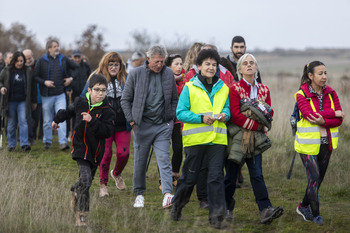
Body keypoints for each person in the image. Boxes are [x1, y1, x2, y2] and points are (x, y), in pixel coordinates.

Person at [170, 49, 230, 229]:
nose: (211, 68)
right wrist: (201, 118)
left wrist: (225, 115)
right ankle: (177, 206)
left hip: (217, 141)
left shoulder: (224, 88)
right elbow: (180, 113)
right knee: (189, 177)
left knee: (215, 177)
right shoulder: (189, 87)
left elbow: (227, 109)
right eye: (207, 64)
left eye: (214, 65)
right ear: (198, 67)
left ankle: (217, 217)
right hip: (195, 140)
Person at [224, 53, 283, 224]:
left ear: (256, 67)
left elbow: (269, 113)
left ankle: (266, 209)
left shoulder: (264, 90)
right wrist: (258, 124)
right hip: (237, 139)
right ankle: (226, 208)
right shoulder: (234, 89)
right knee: (230, 176)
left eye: (252, 63)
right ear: (240, 69)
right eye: (245, 63)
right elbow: (235, 115)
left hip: (257, 140)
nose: (249, 65)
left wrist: (255, 115)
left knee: (257, 174)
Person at [52, 74, 115, 226]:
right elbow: (69, 111)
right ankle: (81, 216)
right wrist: (56, 119)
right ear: (89, 90)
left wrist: (92, 121)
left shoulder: (108, 111)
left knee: (86, 183)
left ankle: (75, 190)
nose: (100, 93)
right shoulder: (80, 102)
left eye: (104, 90)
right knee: (85, 180)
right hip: (80, 147)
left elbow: (107, 132)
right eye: (97, 90)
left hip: (96, 151)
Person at [121, 45, 178, 209]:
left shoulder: (168, 73)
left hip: (162, 126)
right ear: (148, 59)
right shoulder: (135, 74)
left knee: (164, 160)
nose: (160, 65)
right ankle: (139, 194)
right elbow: (125, 100)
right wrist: (132, 121)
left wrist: (170, 119)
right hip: (142, 126)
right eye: (156, 62)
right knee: (140, 162)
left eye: (162, 62)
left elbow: (174, 99)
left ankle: (167, 194)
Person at [294, 61, 344, 226]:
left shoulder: (331, 93)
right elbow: (310, 116)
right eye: (320, 73)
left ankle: (302, 206)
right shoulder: (301, 94)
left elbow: (339, 119)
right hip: (307, 145)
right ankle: (316, 215)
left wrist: (324, 120)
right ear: (310, 76)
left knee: (317, 180)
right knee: (314, 178)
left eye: (325, 73)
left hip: (326, 144)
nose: (324, 77)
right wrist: (332, 113)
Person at [91, 52, 131, 197]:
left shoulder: (127, 78)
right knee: (105, 154)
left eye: (116, 65)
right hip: (104, 124)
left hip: (123, 124)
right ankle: (103, 185)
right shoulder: (96, 78)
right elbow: (86, 95)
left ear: (121, 66)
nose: (114, 67)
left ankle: (117, 173)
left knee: (124, 153)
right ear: (105, 65)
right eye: (111, 64)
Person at [34, 39, 78, 150]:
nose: (57, 48)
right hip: (46, 95)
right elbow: (35, 76)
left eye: (57, 46)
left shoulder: (64, 59)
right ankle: (47, 142)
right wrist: (44, 82)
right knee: (47, 120)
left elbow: (77, 68)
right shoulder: (41, 60)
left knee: (62, 117)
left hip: (60, 94)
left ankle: (63, 143)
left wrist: (71, 79)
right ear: (49, 49)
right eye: (54, 46)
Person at [0, 51, 36, 152]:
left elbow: (32, 87)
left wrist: (34, 101)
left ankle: (24, 144)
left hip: (23, 101)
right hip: (10, 101)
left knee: (23, 121)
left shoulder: (28, 71)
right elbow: (0, 80)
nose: (20, 63)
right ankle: (11, 145)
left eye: (21, 61)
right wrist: (2, 87)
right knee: (11, 123)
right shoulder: (7, 70)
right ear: (14, 61)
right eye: (18, 61)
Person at [164, 54, 185, 186]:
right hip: (165, 118)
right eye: (176, 64)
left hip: (179, 119)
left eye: (181, 64)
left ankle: (175, 173)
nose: (179, 67)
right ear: (169, 66)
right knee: (164, 149)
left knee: (178, 148)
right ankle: (165, 176)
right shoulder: (164, 78)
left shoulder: (185, 79)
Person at [67, 49, 91, 137]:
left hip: (84, 94)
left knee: (84, 112)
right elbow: (67, 78)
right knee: (73, 113)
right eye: (75, 57)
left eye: (78, 57)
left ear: (81, 57)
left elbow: (90, 77)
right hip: (73, 93)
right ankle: (72, 133)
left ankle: (83, 132)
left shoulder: (86, 66)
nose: (77, 59)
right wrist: (68, 88)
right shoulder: (69, 66)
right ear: (72, 57)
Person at [23, 49, 42, 145]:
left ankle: (33, 135)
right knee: (27, 119)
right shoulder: (22, 68)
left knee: (36, 119)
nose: (27, 60)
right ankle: (28, 138)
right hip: (25, 98)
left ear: (32, 57)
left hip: (38, 97)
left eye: (29, 58)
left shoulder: (38, 66)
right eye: (25, 58)